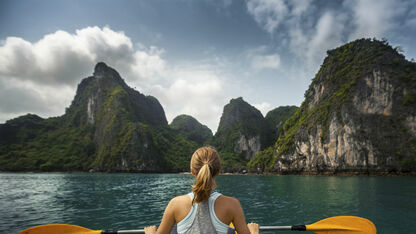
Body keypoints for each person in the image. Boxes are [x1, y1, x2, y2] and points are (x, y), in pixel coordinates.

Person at [144, 146, 259, 234]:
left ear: (192, 172)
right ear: (218, 172)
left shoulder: (175, 204)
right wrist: (254, 232)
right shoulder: (232, 205)